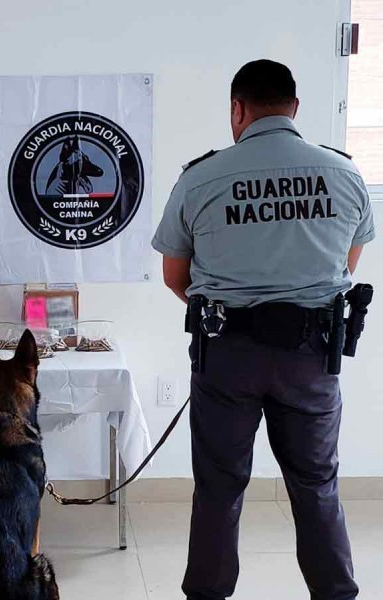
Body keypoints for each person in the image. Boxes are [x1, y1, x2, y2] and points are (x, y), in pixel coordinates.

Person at [153, 59, 374, 600]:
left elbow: (175, 277)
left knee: (218, 487)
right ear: (294, 108)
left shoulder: (200, 178)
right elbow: (345, 268)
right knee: (316, 486)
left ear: (237, 109)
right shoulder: (344, 175)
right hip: (311, 357)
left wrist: (229, 312)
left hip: (227, 356)